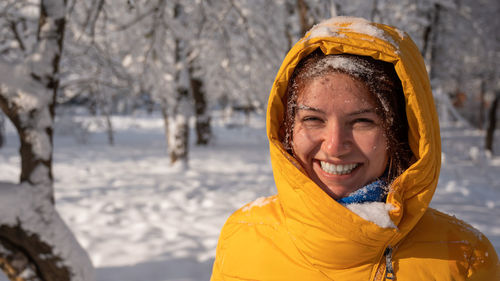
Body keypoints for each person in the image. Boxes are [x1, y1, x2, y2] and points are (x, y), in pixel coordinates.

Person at [210, 17, 499, 280]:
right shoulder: (243, 235)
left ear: (398, 132)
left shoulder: (463, 259)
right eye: (312, 119)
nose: (335, 146)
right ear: (287, 129)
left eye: (362, 121)